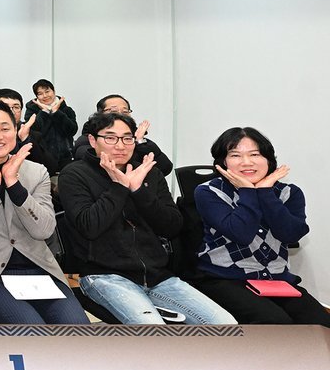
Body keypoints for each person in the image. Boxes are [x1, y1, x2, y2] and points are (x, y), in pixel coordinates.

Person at [58, 112, 235, 325]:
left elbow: (172, 226)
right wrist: (119, 187)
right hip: (104, 276)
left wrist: (138, 191)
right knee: (152, 330)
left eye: (127, 138)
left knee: (225, 325)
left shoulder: (149, 172)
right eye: (110, 138)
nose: (120, 145)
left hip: (157, 276)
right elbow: (89, 226)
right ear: (93, 140)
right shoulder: (74, 174)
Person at [0, 100, 89, 324]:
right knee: (32, 330)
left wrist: (14, 185)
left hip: (37, 267)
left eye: (5, 128)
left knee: (78, 330)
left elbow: (44, 230)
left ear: (16, 130)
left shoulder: (36, 171)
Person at [189, 127, 329, 326]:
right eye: (235, 155)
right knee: (273, 322)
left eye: (255, 154)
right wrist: (248, 191)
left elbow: (290, 234)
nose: (246, 162)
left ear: (268, 159)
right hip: (225, 278)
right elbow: (241, 233)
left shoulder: (289, 193)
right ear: (223, 162)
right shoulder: (209, 191)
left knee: (320, 324)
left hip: (277, 281)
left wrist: (265, 193)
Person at [72, 94, 173, 177]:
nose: (120, 114)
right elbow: (86, 159)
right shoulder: (87, 139)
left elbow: (165, 168)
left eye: (125, 111)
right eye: (113, 111)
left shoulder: (137, 139)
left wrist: (140, 142)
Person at [0, 88, 60, 175]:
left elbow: (50, 169)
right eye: (5, 107)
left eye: (16, 107)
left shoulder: (33, 135)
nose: (11, 112)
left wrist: (26, 140)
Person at [22, 79, 78, 170]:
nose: (45, 96)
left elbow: (72, 130)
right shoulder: (31, 111)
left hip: (66, 157)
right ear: (37, 96)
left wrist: (56, 113)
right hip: (42, 158)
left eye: (47, 91)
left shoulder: (66, 110)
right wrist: (44, 112)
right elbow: (34, 131)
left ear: (54, 91)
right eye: (40, 94)